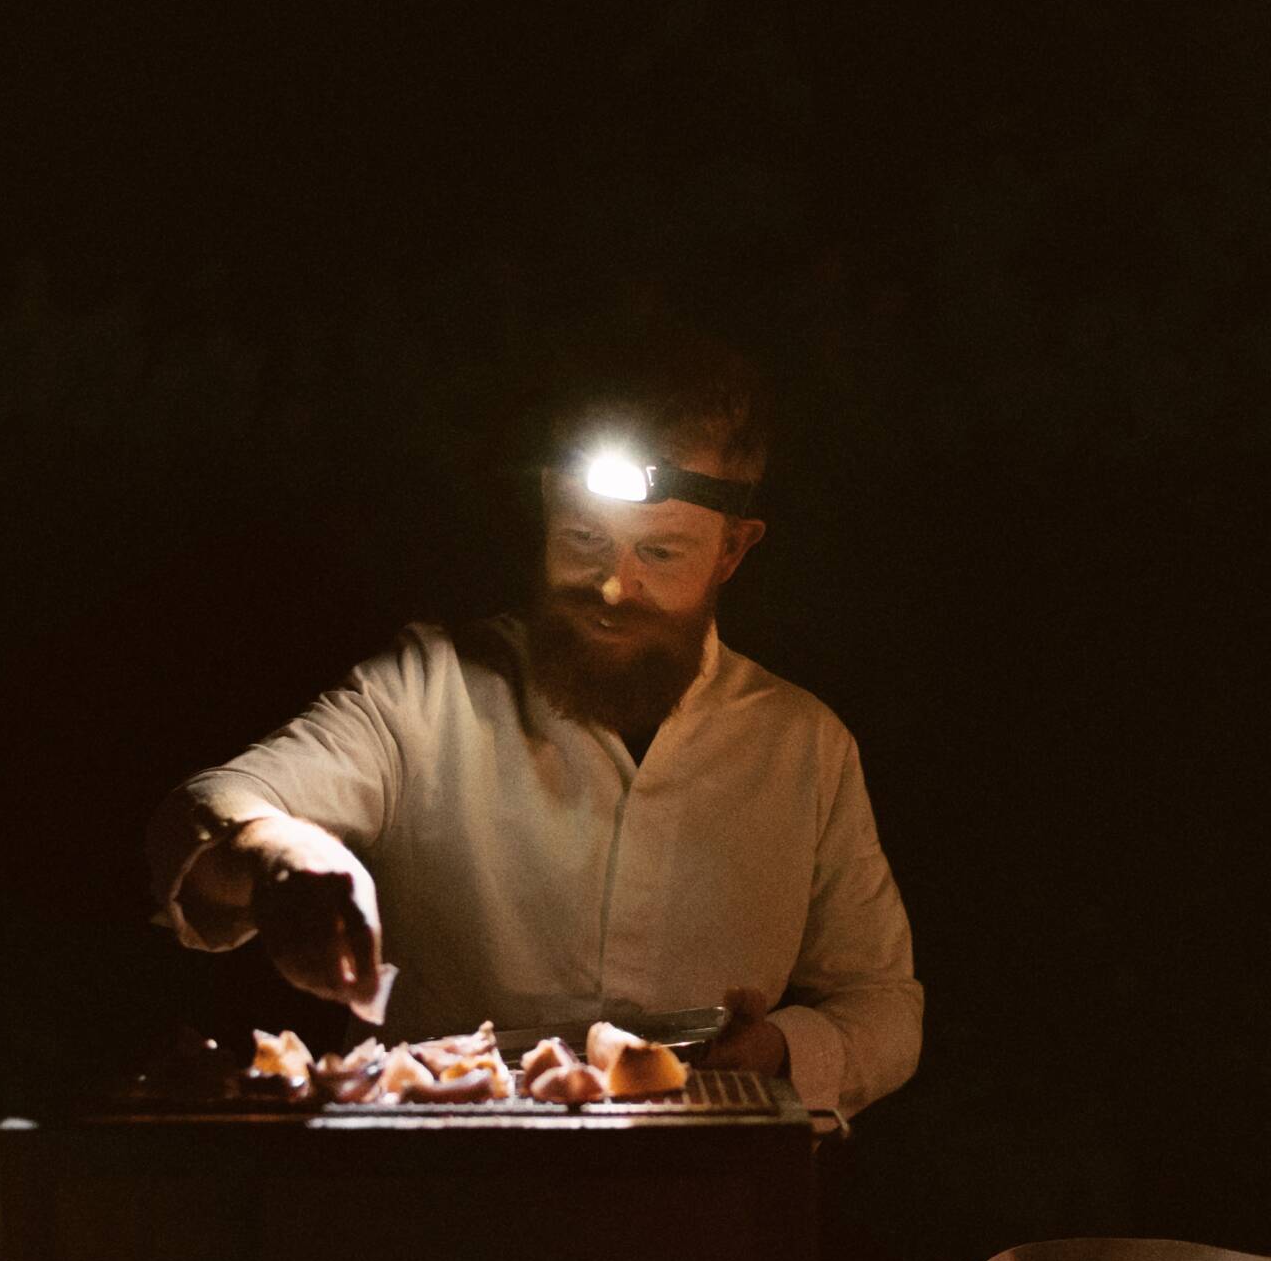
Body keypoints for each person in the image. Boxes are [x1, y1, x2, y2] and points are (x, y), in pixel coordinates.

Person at [147, 322, 922, 1116]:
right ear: (547, 507)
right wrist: (280, 851)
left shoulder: (803, 746)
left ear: (732, 552)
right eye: (584, 538)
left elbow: (885, 1005)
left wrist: (785, 1049)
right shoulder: (426, 691)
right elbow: (209, 810)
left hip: (703, 1200)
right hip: (438, 1191)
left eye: (659, 554)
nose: (613, 587)